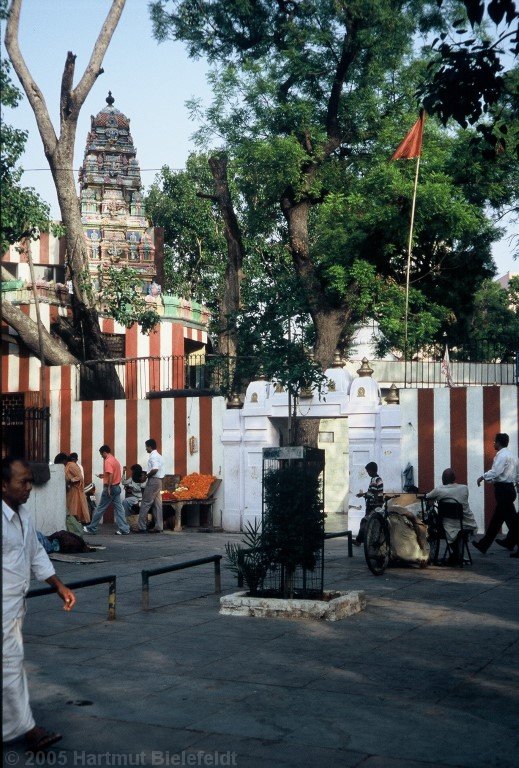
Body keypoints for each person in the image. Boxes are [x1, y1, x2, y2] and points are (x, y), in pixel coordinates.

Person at [2, 456, 76, 751]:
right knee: (10, 666)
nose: (29, 487)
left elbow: (35, 555)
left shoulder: (23, 516)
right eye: (23, 482)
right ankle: (29, 729)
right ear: (4, 485)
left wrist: (58, 586)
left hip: (14, 607)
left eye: (31, 481)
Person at [474, 433, 519, 555]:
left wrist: (483, 477)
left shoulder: (502, 456)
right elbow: (517, 476)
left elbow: (496, 472)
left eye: (494, 441)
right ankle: (487, 544)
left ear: (499, 442)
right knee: (500, 520)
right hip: (510, 489)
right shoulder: (513, 456)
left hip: (503, 490)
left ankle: (485, 544)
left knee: (508, 521)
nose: (493, 443)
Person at [425, 468, 477, 564]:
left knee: (440, 524)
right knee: (457, 529)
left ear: (443, 479)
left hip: (450, 525)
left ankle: (456, 554)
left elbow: (426, 496)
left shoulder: (439, 490)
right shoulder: (464, 488)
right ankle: (458, 555)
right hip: (466, 522)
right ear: (454, 478)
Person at [83, 445, 130, 536]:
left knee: (100, 508)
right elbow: (111, 474)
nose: (101, 456)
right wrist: (103, 476)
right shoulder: (114, 460)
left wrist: (108, 487)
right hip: (116, 487)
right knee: (119, 509)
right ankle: (124, 528)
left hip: (110, 488)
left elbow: (111, 475)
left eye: (101, 454)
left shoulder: (107, 461)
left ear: (104, 452)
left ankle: (92, 528)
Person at [137, 439, 164, 533]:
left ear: (150, 447)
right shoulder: (159, 456)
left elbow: (155, 469)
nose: (146, 449)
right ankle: (159, 527)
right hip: (159, 481)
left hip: (153, 481)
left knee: (145, 503)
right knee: (157, 505)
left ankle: (142, 527)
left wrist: (147, 476)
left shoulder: (153, 456)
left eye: (146, 447)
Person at [354, 462, 384, 546]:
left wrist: (363, 495)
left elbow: (372, 494)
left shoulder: (374, 480)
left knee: (364, 522)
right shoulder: (378, 479)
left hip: (373, 505)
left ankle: (359, 541)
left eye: (368, 471)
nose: (367, 473)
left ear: (371, 470)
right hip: (377, 505)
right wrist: (364, 494)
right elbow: (373, 492)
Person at [65, 454, 90, 524]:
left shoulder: (71, 465)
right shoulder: (72, 465)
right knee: (76, 505)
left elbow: (80, 477)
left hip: (75, 488)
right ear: (75, 459)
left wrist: (71, 480)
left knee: (74, 506)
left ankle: (77, 521)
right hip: (73, 488)